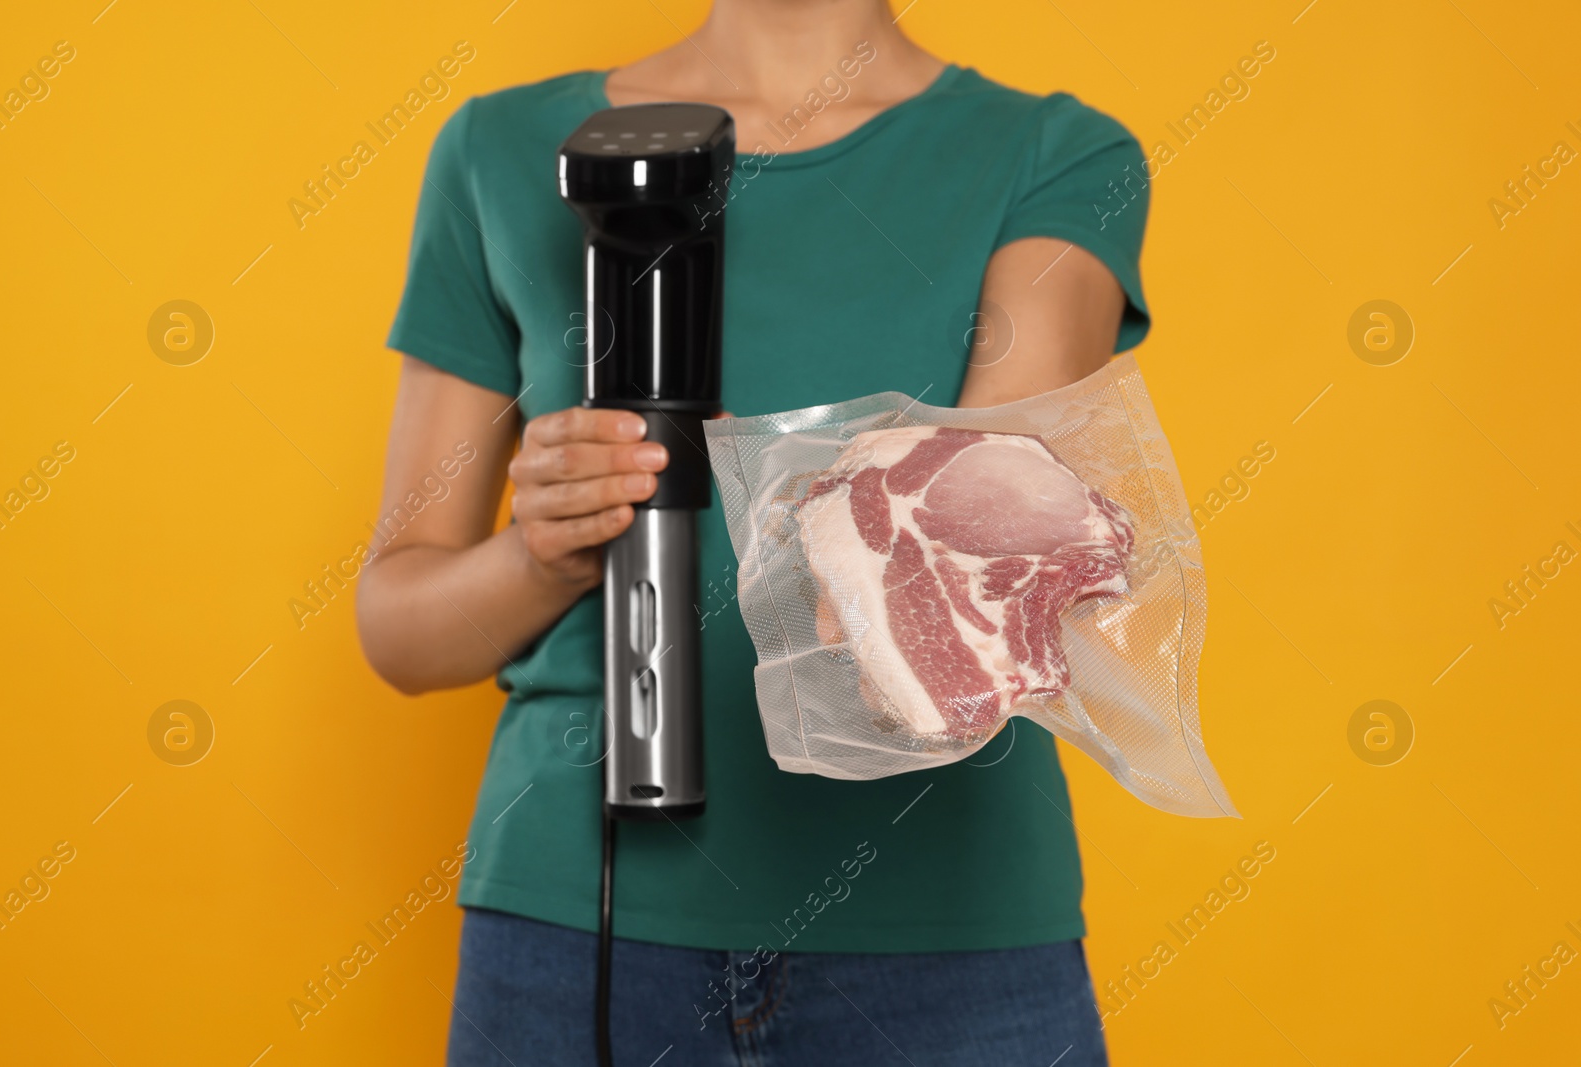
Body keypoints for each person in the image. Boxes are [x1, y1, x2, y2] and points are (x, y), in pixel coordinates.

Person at [357, 1, 1150, 1063]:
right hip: (575, 927)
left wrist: (805, 513)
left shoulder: (1049, 153)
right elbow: (400, 629)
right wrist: (541, 548)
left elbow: (983, 558)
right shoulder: (499, 148)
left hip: (942, 926)